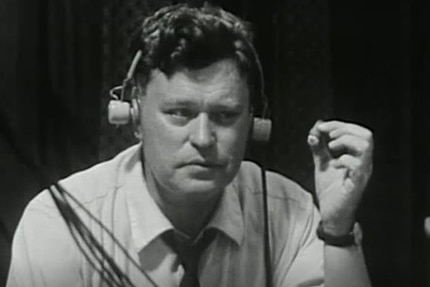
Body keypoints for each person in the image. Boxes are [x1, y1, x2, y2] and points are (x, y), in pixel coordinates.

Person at [7, 3, 373, 287]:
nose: (203, 139)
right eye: (179, 113)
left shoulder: (289, 211)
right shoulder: (61, 222)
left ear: (255, 123)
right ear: (134, 116)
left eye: (226, 116)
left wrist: (338, 231)